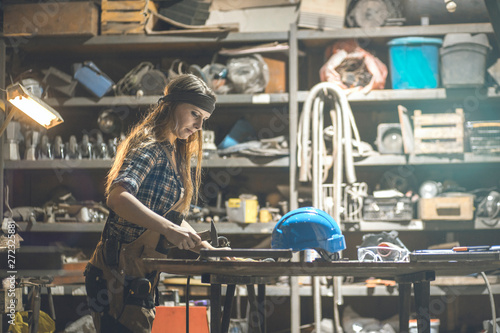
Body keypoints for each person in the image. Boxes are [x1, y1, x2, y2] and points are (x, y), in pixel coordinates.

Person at [85, 74, 219, 333]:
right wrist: (169, 230)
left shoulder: (173, 152)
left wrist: (208, 249)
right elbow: (117, 196)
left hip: (137, 273)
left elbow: (172, 218)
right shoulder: (151, 147)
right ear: (171, 106)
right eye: (194, 113)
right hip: (115, 275)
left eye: (205, 119)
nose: (199, 125)